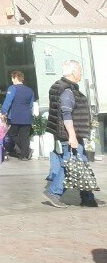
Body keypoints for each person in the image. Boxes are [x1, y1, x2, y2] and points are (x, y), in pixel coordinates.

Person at [43, 59, 103, 209]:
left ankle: (88, 198)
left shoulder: (62, 87)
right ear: (73, 72)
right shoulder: (67, 91)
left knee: (80, 162)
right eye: (80, 71)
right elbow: (66, 114)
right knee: (71, 164)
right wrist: (72, 136)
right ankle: (54, 192)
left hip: (70, 134)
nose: (81, 74)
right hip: (69, 135)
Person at [0, 70, 37, 160]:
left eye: (12, 78)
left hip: (15, 116)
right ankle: (25, 155)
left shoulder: (12, 88)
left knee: (11, 133)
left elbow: (8, 102)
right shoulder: (30, 90)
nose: (12, 80)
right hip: (27, 117)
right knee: (24, 136)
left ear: (15, 78)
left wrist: (2, 112)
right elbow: (31, 104)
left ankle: (26, 151)